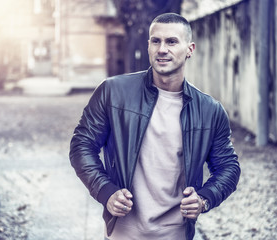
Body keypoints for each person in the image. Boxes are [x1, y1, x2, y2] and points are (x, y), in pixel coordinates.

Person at [70, 13, 240, 240]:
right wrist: (105, 191)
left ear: (190, 49)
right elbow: (82, 145)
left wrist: (204, 199)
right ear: (148, 46)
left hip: (176, 234)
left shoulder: (210, 110)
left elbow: (229, 167)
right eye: (155, 41)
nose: (162, 49)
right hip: (122, 233)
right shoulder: (113, 92)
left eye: (171, 41)